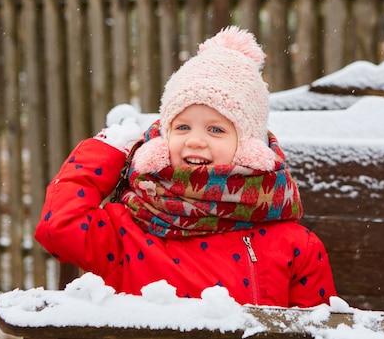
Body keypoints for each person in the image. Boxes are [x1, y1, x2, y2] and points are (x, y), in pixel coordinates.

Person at [35, 26, 337, 307]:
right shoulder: (130, 226)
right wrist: (106, 150)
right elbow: (58, 229)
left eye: (216, 130)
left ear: (249, 149)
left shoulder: (292, 244)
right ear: (161, 142)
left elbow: (317, 329)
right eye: (182, 127)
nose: (195, 141)